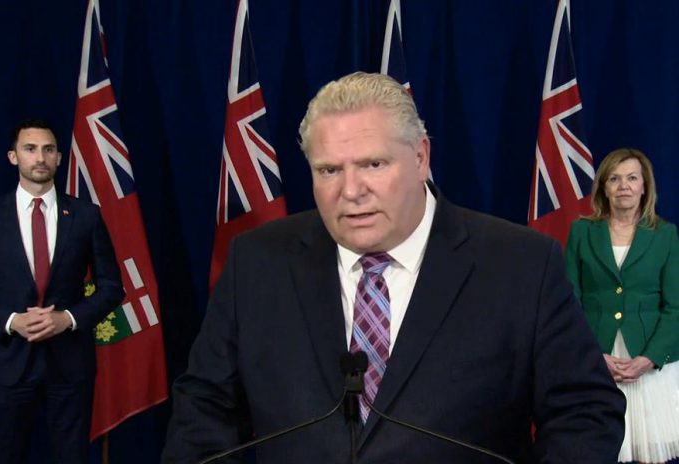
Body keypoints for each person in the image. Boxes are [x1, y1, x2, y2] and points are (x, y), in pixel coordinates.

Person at [163, 72, 625, 463]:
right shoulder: (256, 263)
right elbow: (202, 410)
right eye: (328, 170)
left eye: (373, 164)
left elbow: (586, 412)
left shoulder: (520, 264)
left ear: (421, 157)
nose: (351, 190)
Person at [0, 119, 125, 463]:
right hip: (8, 363)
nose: (40, 157)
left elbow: (111, 287)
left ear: (59, 158)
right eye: (30, 149)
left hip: (69, 364)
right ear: (13, 156)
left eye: (48, 149)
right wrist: (10, 321)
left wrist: (70, 319)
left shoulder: (86, 215)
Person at [565, 148, 679, 464]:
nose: (624, 186)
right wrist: (593, 355)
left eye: (631, 178)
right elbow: (568, 301)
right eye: (614, 179)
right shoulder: (582, 232)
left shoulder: (665, 235)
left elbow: (676, 308)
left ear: (645, 186)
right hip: (596, 361)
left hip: (649, 367)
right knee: (597, 450)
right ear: (603, 186)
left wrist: (650, 359)